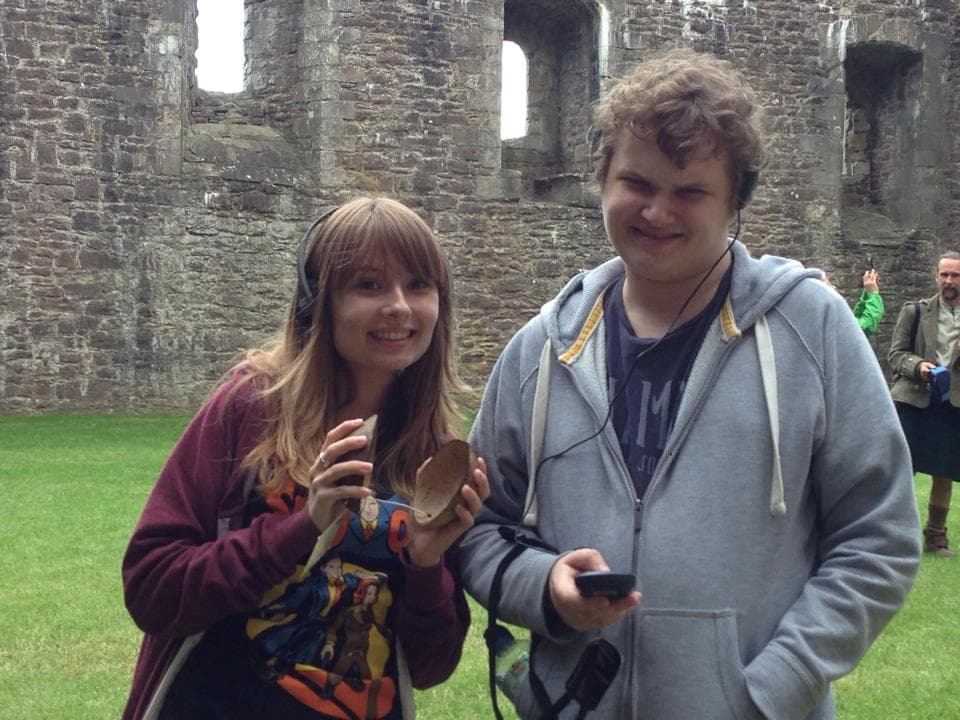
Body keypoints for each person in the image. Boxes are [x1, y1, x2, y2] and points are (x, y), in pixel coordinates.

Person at [459, 49, 920, 720]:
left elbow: (879, 536)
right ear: (602, 179)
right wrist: (545, 587)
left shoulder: (812, 331)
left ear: (737, 200)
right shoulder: (541, 348)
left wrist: (770, 690)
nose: (657, 211)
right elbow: (480, 526)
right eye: (637, 182)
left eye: (690, 191)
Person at [121, 197, 489, 720]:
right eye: (369, 285)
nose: (400, 307)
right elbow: (152, 589)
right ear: (319, 301)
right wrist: (302, 526)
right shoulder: (251, 406)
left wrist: (427, 563)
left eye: (419, 285)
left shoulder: (434, 457)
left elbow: (429, 668)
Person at [889, 251, 960, 558]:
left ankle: (935, 536)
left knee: (944, 472)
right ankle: (890, 534)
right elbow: (896, 354)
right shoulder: (915, 311)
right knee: (900, 471)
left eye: (955, 275)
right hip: (914, 400)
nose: (949, 281)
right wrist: (918, 366)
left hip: (953, 404)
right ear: (936, 276)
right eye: (944, 274)